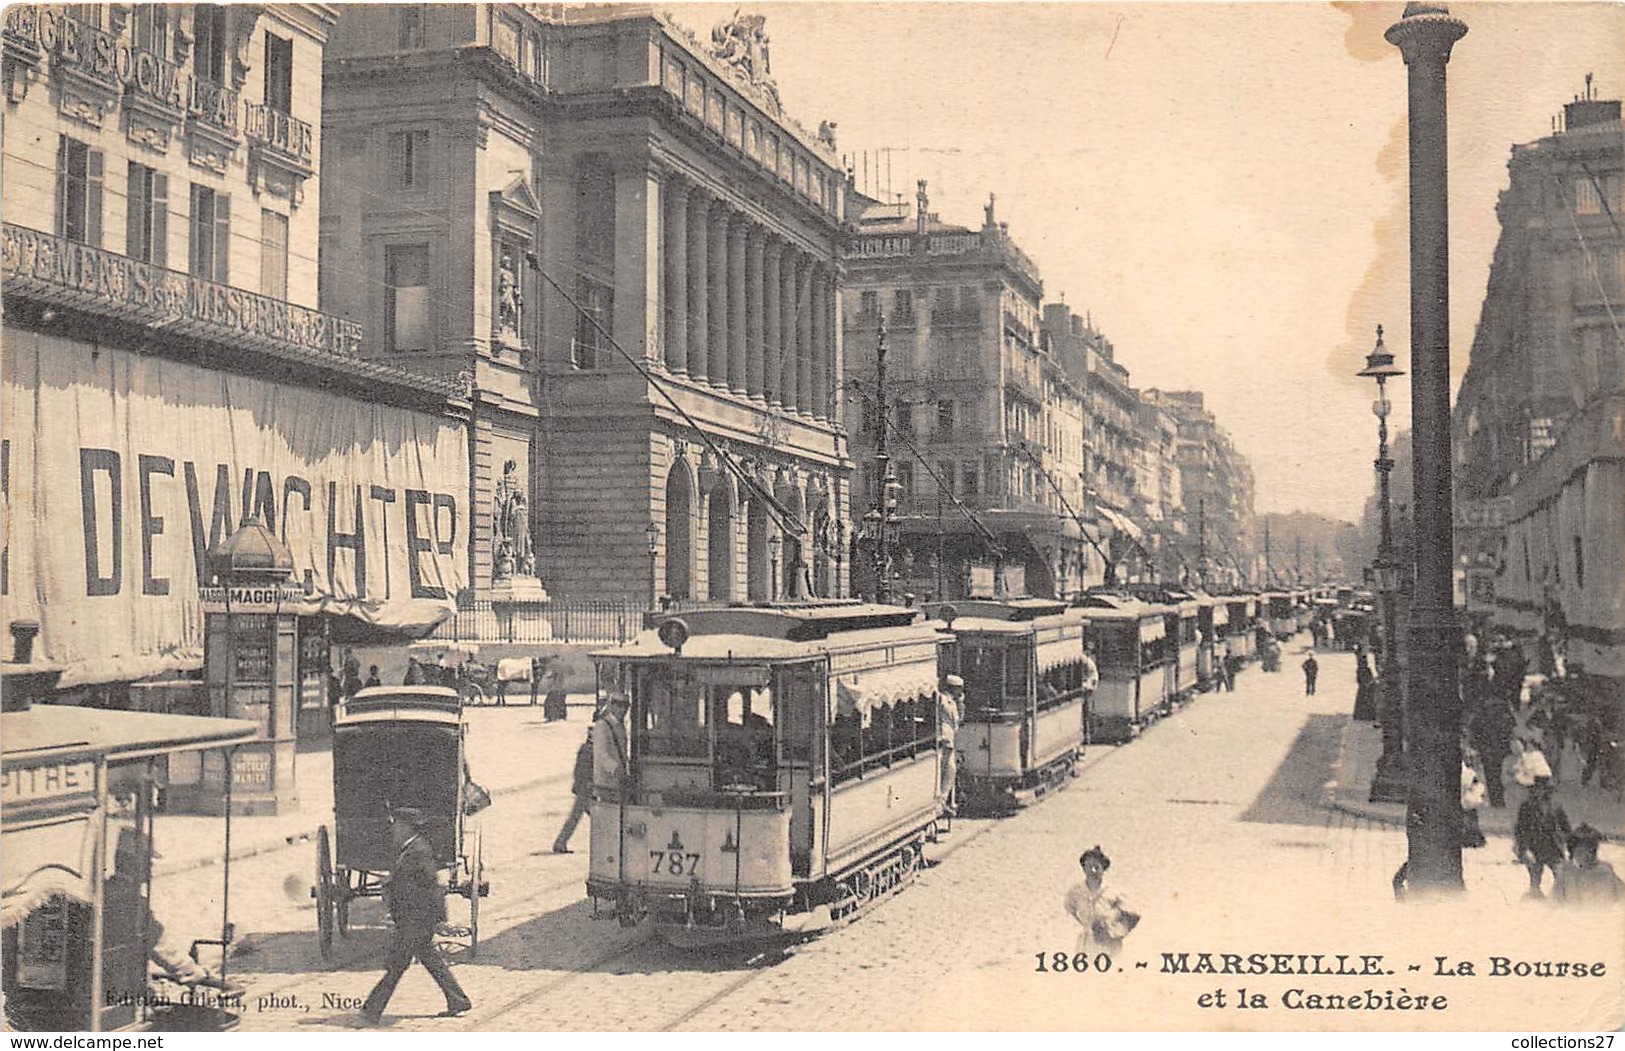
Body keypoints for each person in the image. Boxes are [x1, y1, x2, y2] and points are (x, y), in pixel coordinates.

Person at [360, 808, 472, 1025]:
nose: (393, 828)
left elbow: (431, 888)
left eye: (397, 825)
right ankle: (458, 999)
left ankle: (371, 1010)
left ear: (406, 827)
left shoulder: (419, 852)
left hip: (417, 918)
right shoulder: (408, 848)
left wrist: (438, 920)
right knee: (429, 959)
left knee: (396, 966)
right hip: (413, 918)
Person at [1063, 846, 1138, 955]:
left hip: (1109, 943)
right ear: (1083, 868)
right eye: (1089, 866)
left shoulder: (1114, 891)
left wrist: (1114, 931)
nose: (1093, 870)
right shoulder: (1075, 891)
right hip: (1086, 943)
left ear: (1104, 869)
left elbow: (1132, 915)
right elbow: (1070, 908)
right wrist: (1087, 924)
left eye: (1096, 867)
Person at [1513, 777, 1571, 898]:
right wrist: (1524, 849)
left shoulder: (1555, 806)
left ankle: (1558, 898)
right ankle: (1536, 897)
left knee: (1560, 875)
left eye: (1542, 789)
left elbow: (1566, 827)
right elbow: (1520, 830)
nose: (1538, 792)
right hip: (1534, 847)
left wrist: (1566, 843)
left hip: (1553, 847)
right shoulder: (1526, 806)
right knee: (1535, 878)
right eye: (1536, 789)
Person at [1553, 825, 1623, 906]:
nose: (1586, 855)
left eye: (1590, 850)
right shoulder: (1566, 874)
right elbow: (1553, 906)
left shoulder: (1605, 873)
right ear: (1572, 851)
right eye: (1580, 850)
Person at [552, 727, 596, 854]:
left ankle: (560, 842)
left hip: (584, 789)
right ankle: (560, 843)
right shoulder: (589, 750)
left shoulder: (586, 749)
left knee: (581, 817)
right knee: (577, 817)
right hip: (586, 790)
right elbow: (582, 771)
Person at [593, 693, 630, 799]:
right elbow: (601, 753)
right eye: (619, 705)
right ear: (611, 706)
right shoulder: (602, 725)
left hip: (618, 781)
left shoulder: (620, 726)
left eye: (625, 706)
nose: (622, 710)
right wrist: (615, 768)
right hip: (605, 781)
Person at [938, 675, 964, 816]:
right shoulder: (942, 699)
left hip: (950, 739)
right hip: (944, 739)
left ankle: (946, 801)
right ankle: (941, 802)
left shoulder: (954, 702)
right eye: (958, 688)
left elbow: (958, 721)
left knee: (950, 771)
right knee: (947, 771)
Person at [1460, 745, 1487, 849]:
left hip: (1469, 795)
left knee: (1470, 818)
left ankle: (1473, 839)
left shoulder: (1472, 771)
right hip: (1464, 793)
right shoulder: (1466, 770)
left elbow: (1477, 783)